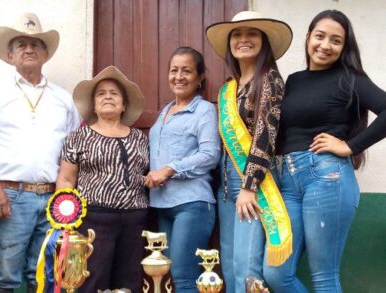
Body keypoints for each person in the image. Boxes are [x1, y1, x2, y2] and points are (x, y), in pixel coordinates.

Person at [263, 10, 386, 293]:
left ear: (344, 47)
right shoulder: (293, 80)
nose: (325, 45)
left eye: (336, 40)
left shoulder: (350, 77)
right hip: (288, 183)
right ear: (308, 38)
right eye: (319, 36)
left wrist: (350, 146)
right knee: (276, 274)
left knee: (324, 277)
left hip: (327, 177)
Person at [0, 13, 80, 293]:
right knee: (4, 278)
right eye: (21, 44)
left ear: (45, 53)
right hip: (11, 195)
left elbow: (72, 149)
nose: (29, 49)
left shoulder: (64, 98)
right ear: (10, 56)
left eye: (35, 44)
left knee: (45, 277)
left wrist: (66, 195)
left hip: (54, 201)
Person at [205, 11, 293, 293]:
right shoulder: (228, 89)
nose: (244, 40)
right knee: (230, 265)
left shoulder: (270, 80)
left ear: (264, 41)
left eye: (252, 34)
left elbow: (266, 135)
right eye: (237, 35)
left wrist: (250, 186)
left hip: (254, 180)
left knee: (247, 268)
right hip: (227, 182)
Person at [56, 66, 148, 292]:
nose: (108, 97)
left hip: (135, 219)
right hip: (93, 219)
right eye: (101, 93)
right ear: (94, 105)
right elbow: (66, 180)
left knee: (129, 282)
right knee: (92, 280)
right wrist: (65, 223)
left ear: (124, 104)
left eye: (114, 93)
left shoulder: (140, 138)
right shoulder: (79, 136)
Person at [146, 46, 221, 292]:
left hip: (192, 204)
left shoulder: (204, 110)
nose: (179, 76)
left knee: (184, 276)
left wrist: (169, 169)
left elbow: (210, 154)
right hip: (162, 205)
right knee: (168, 275)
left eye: (187, 71)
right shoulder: (166, 111)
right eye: (174, 70)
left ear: (200, 78)